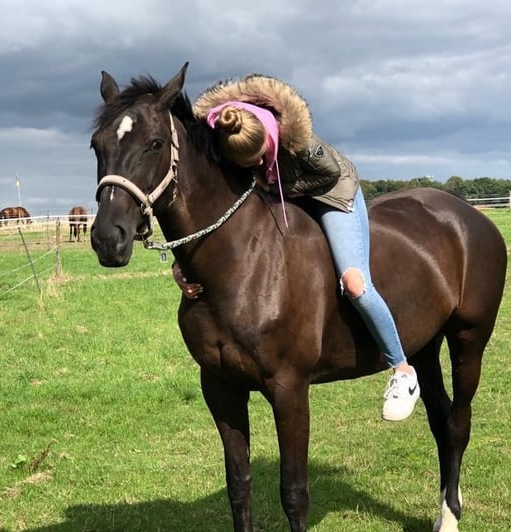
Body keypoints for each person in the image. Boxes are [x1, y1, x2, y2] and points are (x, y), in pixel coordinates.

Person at [173, 74, 419, 421]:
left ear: (271, 141)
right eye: (247, 166)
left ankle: (402, 370)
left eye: (259, 159)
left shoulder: (301, 144)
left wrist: (280, 188)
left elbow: (329, 175)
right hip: (282, 195)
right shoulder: (225, 137)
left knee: (355, 284)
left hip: (332, 193)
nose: (255, 167)